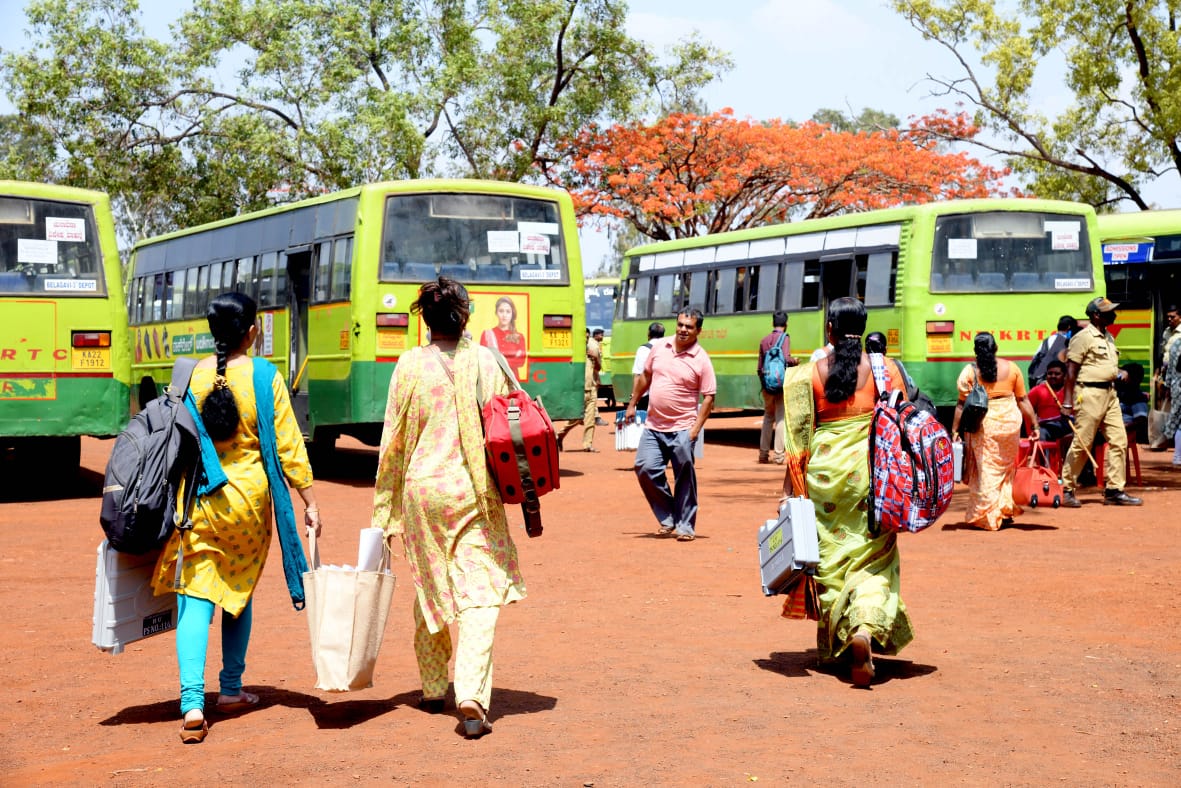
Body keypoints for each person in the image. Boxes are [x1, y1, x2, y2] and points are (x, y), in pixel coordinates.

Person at [151, 292, 322, 744]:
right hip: (248, 509)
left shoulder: (190, 376)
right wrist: (310, 501)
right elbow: (288, 446)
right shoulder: (265, 376)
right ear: (253, 332)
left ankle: (191, 703)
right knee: (238, 592)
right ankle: (230, 689)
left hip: (200, 503)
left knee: (196, 596)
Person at [370, 276, 525, 739]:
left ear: (425, 319)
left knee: (429, 585)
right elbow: (508, 427)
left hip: (422, 495)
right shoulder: (485, 362)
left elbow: (392, 443)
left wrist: (385, 513)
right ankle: (472, 694)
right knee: (479, 595)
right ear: (465, 316)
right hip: (475, 493)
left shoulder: (408, 365)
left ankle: (434, 686)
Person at [779, 297, 912, 688]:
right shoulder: (886, 370)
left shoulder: (808, 374)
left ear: (830, 330)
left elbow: (798, 440)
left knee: (831, 558)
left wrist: (789, 490)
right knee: (875, 561)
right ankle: (864, 629)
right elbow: (901, 423)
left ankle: (836, 644)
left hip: (825, 475)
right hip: (871, 474)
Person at [625, 308, 716, 542]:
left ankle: (685, 526)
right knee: (644, 467)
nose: (683, 330)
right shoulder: (659, 348)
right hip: (654, 426)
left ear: (698, 331)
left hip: (683, 427)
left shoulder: (701, 359)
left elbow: (708, 398)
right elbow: (645, 377)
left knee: (684, 475)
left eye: (689, 326)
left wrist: (694, 431)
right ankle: (668, 516)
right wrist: (632, 403)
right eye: (681, 325)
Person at [951, 332, 1039, 530]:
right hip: (1010, 422)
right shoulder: (1013, 368)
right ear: (996, 347)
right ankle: (1003, 508)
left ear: (975, 351)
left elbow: (960, 405)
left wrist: (955, 429)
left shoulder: (970, 371)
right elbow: (1023, 401)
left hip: (985, 424)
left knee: (987, 470)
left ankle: (988, 516)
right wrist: (1034, 425)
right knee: (1005, 468)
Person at [1060, 297, 1143, 506]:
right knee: (1082, 442)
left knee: (1119, 440)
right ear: (1096, 315)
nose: (1114, 314)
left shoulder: (1108, 337)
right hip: (1089, 395)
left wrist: (1119, 372)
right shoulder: (1083, 337)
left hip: (1110, 395)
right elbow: (1071, 370)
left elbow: (1105, 366)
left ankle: (1115, 489)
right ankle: (1066, 488)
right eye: (1108, 311)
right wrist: (1068, 401)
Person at [757, 311, 797, 464]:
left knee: (768, 417)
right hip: (780, 384)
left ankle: (763, 454)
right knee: (781, 418)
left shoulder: (764, 340)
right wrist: (796, 361)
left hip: (767, 384)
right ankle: (779, 456)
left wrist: (764, 385)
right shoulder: (785, 338)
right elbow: (786, 359)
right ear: (785, 324)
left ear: (773, 323)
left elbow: (759, 367)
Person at [558, 328, 603, 451]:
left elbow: (598, 369)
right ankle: (559, 435)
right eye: (584, 338)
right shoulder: (574, 355)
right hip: (579, 391)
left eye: (588, 338)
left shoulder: (591, 353)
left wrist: (596, 358)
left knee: (590, 419)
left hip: (592, 389)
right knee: (576, 419)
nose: (586, 340)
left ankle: (587, 445)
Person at [479, 295, 527, 381]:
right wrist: (512, 358)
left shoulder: (519, 337)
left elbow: (521, 361)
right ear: (496, 313)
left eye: (508, 312)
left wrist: (497, 361)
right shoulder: (487, 334)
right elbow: (483, 359)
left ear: (512, 314)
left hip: (512, 381)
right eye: (501, 311)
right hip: (493, 380)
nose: (504, 315)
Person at [1027, 360, 1071, 443]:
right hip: (1046, 427)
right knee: (1041, 434)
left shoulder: (1070, 391)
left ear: (1064, 376)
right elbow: (1027, 410)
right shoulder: (1037, 390)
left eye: (1057, 374)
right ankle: (1044, 456)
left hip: (1068, 425)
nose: (1053, 376)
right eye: (1050, 373)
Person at [1027, 315, 1077, 386]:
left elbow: (1035, 357)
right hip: (1055, 383)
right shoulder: (1068, 342)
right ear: (1069, 327)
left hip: (1039, 380)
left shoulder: (1046, 340)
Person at [1160, 306, 1181, 462]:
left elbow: (1171, 368)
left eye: (1172, 316)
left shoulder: (1175, 344)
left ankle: (1177, 456)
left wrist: (1168, 385)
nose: (1169, 319)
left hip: (1175, 383)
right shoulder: (1170, 336)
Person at [631, 321, 665, 411]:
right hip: (664, 395)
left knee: (644, 421)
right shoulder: (669, 348)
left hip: (647, 396)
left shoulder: (643, 349)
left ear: (648, 333)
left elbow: (638, 375)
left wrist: (634, 396)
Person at [1117, 362, 1149, 441]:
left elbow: (1140, 421)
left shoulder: (1137, 397)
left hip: (1122, 430)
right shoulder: (1119, 391)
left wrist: (1124, 426)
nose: (1120, 377)